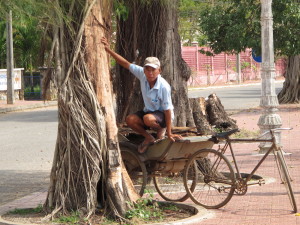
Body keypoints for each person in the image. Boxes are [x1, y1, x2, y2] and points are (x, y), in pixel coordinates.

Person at [101, 37, 182, 153]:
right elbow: (125, 63)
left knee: (147, 118)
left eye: (153, 70)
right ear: (144, 70)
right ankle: (149, 137)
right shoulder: (142, 74)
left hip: (162, 115)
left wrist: (169, 132)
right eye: (147, 69)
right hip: (149, 112)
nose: (150, 73)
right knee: (130, 119)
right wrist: (108, 50)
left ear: (159, 70)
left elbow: (168, 110)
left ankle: (161, 130)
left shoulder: (163, 86)